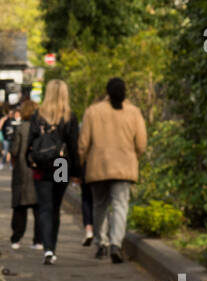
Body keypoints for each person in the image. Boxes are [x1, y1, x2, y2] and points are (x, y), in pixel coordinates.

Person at [79, 76, 147, 263]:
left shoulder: (93, 111)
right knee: (120, 205)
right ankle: (116, 243)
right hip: (124, 166)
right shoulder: (134, 112)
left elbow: (83, 143)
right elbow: (141, 143)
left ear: (107, 92)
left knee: (99, 204)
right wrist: (133, 158)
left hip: (98, 166)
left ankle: (102, 242)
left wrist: (82, 163)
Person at [25, 78, 80, 265]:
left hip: (41, 165)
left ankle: (47, 248)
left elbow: (30, 141)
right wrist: (76, 171)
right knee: (55, 207)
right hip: (61, 164)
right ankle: (52, 247)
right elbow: (73, 146)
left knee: (44, 207)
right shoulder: (69, 117)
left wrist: (29, 160)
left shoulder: (38, 115)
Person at [9, 99, 42, 248]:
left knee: (20, 207)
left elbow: (14, 150)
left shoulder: (20, 128)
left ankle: (17, 238)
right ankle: (39, 240)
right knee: (39, 208)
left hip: (22, 171)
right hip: (38, 170)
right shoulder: (42, 128)